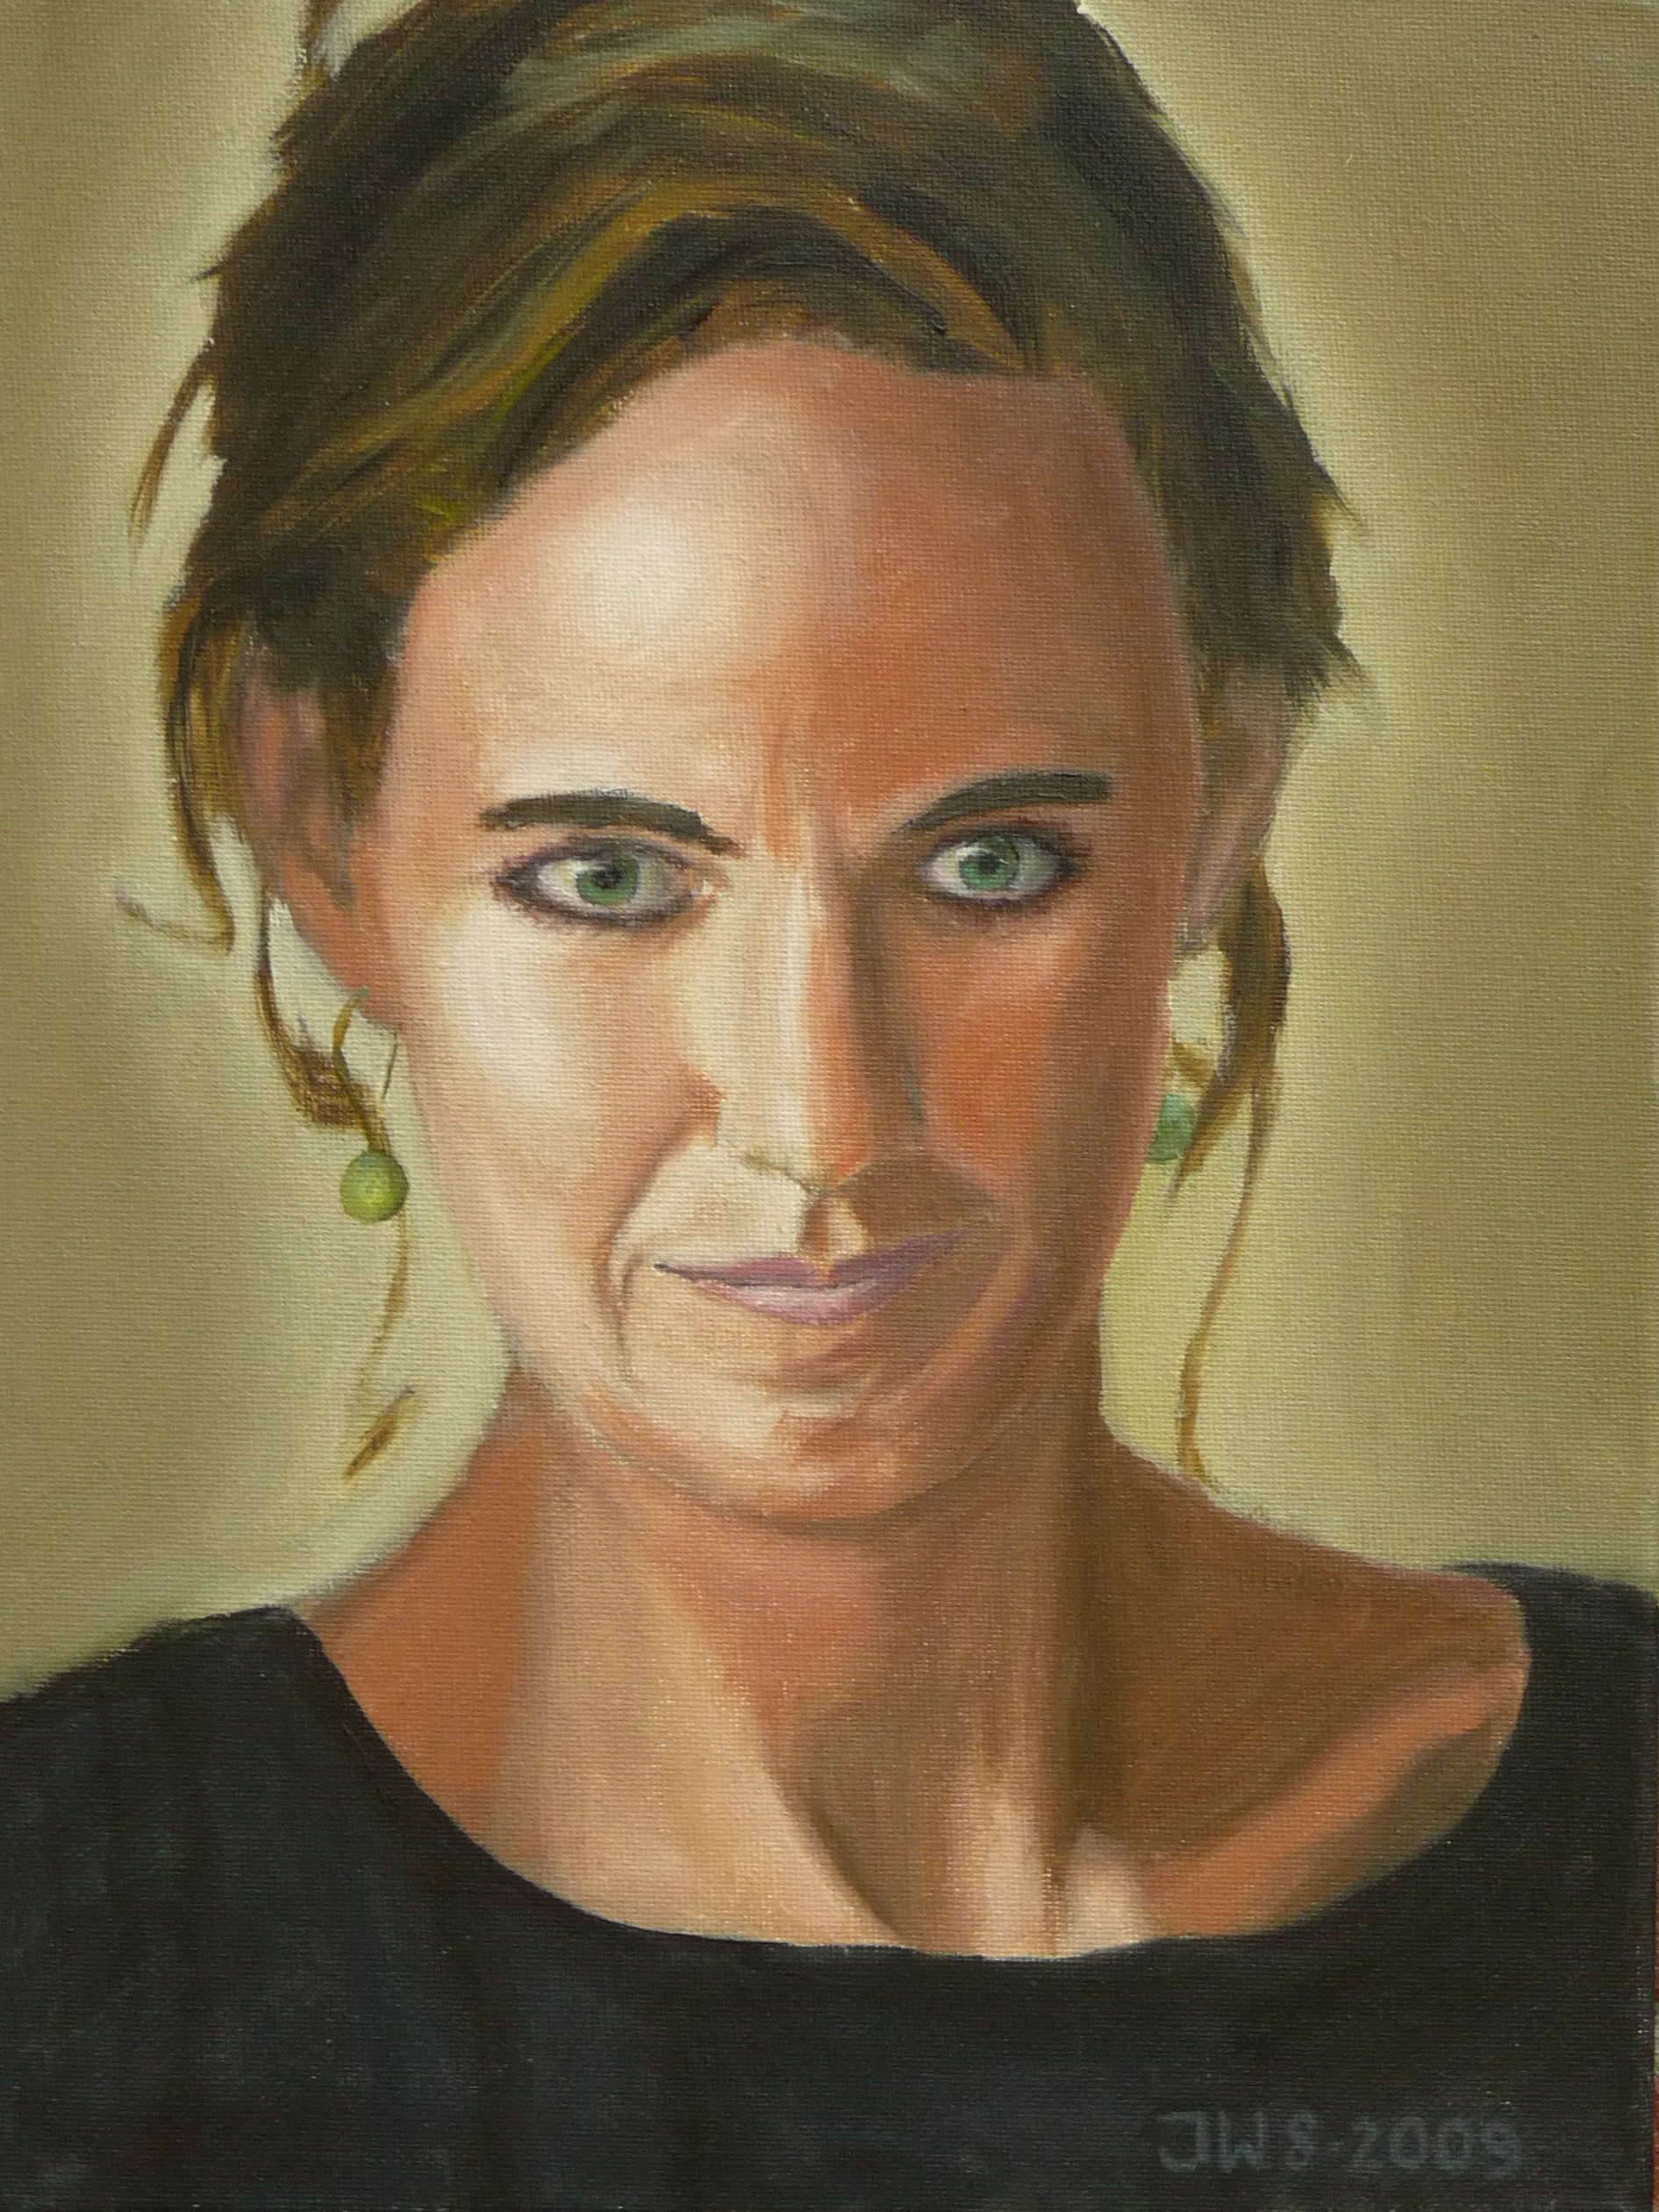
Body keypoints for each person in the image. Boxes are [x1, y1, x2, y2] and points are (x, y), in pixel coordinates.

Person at [1, 0, 1651, 2205]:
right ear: (317, 825)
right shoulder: (75, 1953)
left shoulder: (1623, 1852)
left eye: (991, 865)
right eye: (606, 877)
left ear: (1224, 794)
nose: (818, 1116)